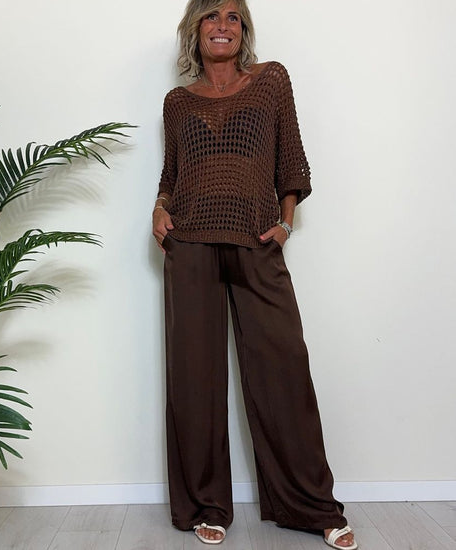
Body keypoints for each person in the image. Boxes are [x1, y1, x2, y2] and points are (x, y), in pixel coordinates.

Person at [152, 1, 357, 548]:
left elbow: (291, 160)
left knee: (283, 368)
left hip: (257, 241)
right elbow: (172, 172)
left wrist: (285, 224)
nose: (222, 25)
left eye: (233, 17)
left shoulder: (270, 81)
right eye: (211, 16)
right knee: (193, 378)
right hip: (189, 244)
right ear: (194, 30)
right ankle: (207, 503)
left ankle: (311, 505)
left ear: (243, 32)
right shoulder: (177, 102)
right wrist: (159, 208)